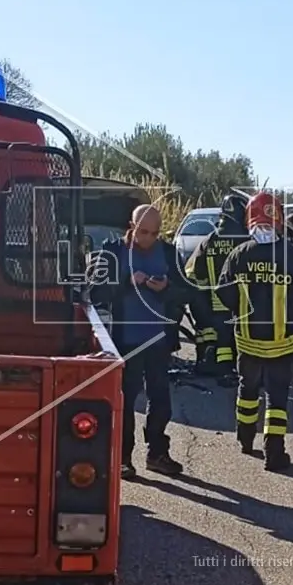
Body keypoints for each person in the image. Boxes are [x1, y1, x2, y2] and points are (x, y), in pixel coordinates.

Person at [88, 204, 186, 480]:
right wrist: (128, 281)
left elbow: (186, 294)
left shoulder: (167, 253)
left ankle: (157, 454)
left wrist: (166, 288)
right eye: (143, 232)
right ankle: (122, 458)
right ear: (131, 227)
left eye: (154, 233)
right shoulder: (113, 251)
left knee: (161, 400)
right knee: (126, 400)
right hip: (124, 341)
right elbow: (96, 291)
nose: (148, 239)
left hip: (158, 340)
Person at [217, 191, 293, 472]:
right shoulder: (292, 255)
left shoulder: (238, 254)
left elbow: (223, 292)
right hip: (282, 342)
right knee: (277, 397)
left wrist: (241, 310)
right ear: (279, 219)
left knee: (247, 390)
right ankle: (274, 451)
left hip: (247, 341)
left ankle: (245, 439)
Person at [185, 194, 248, 388]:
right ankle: (245, 372)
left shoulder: (208, 241)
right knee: (243, 339)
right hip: (246, 305)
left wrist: (204, 294)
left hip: (216, 303)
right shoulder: (247, 240)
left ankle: (224, 371)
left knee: (223, 340)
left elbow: (192, 274)